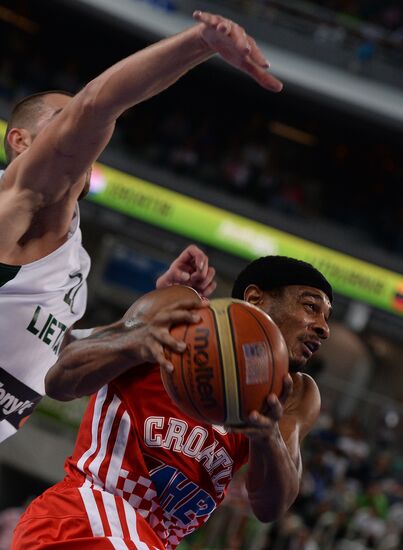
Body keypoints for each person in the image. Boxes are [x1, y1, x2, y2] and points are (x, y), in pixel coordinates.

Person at [0, 9, 282, 442]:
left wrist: (149, 309)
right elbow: (97, 104)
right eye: (63, 118)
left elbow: (57, 366)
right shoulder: (17, 203)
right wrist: (201, 44)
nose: (79, 130)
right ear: (20, 141)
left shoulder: (72, 258)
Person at [13, 255, 333, 549]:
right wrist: (130, 345)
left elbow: (271, 506)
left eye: (326, 316)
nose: (324, 327)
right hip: (85, 517)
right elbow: (59, 380)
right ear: (254, 298)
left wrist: (267, 436)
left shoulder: (296, 394)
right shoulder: (187, 313)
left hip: (151, 541)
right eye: (310, 306)